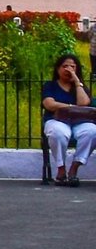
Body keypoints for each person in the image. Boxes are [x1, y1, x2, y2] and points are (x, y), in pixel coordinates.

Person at [42, 54, 96, 185]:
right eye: (65, 66)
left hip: (80, 122)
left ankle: (74, 169)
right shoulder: (50, 86)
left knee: (92, 131)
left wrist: (77, 82)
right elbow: (49, 104)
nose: (69, 69)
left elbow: (84, 103)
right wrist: (72, 107)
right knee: (58, 133)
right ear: (58, 69)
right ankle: (61, 169)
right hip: (57, 120)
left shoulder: (80, 87)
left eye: (73, 67)